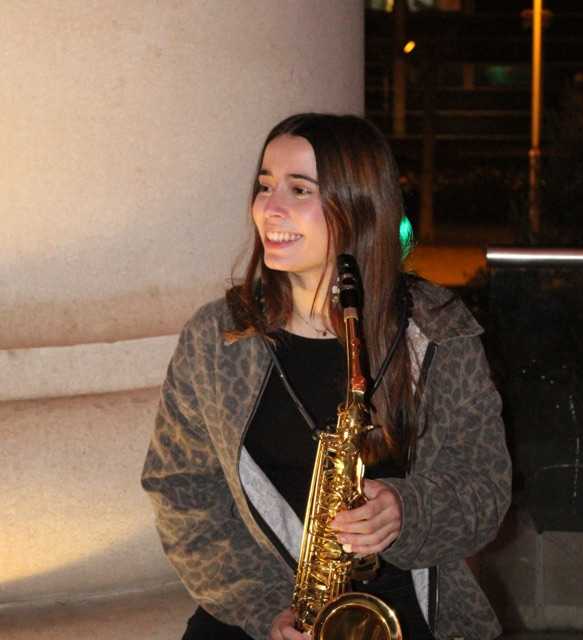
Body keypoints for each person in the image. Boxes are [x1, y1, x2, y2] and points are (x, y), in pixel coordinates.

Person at [141, 113, 511, 640]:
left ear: (359, 205)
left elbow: (485, 487)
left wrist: (407, 510)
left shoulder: (437, 329)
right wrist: (264, 607)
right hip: (262, 609)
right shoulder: (216, 339)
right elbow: (180, 490)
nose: (269, 208)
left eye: (299, 190)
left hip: (402, 611)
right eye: (265, 186)